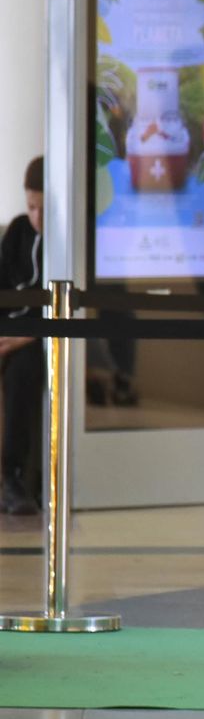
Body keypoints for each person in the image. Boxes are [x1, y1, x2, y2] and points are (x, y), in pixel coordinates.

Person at [0, 157, 45, 516]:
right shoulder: (17, 232)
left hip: (36, 339)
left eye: (44, 209)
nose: (37, 218)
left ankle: (14, 477)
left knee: (22, 374)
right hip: (8, 332)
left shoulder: (64, 240)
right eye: (32, 207)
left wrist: (25, 337)